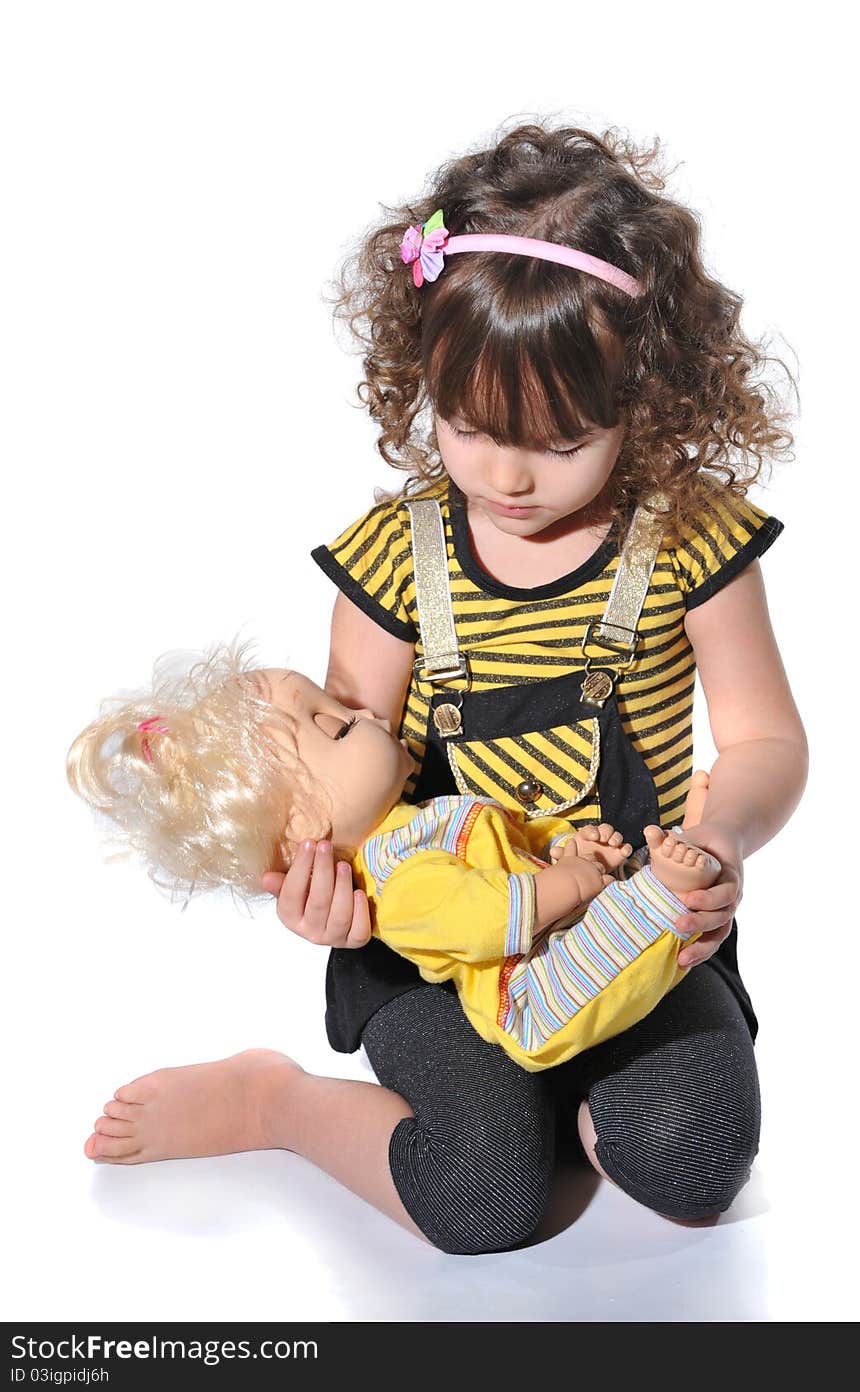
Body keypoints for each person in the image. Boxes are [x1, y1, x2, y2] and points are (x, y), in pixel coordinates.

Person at [84, 120, 808, 1253]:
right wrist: (305, 891)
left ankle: (565, 1087)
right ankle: (280, 1101)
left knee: (695, 1164)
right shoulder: (395, 559)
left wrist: (717, 841)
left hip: (629, 921)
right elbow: (331, 779)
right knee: (481, 1201)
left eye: (561, 441)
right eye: (469, 429)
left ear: (648, 397)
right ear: (423, 379)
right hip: (441, 946)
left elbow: (765, 741)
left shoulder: (688, 545)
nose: (508, 476)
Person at [68, 656, 722, 1071]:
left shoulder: (421, 822)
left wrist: (565, 849)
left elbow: (508, 848)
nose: (369, 711)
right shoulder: (396, 882)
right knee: (605, 953)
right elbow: (486, 918)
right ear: (304, 825)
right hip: (527, 993)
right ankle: (664, 893)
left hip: (546, 935)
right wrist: (576, 881)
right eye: (336, 724)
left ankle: (657, 891)